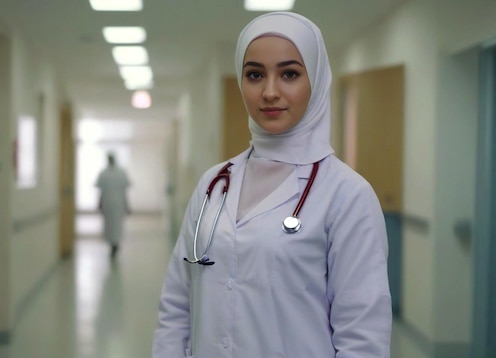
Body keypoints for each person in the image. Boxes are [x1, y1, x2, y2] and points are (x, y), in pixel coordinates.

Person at [152, 11, 392, 358]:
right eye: (254, 74)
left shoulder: (347, 194)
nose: (269, 91)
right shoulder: (214, 184)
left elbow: (363, 337)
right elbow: (176, 308)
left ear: (317, 80)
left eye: (290, 73)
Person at [95, 153, 130, 257]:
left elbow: (124, 190)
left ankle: (114, 244)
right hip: (117, 203)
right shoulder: (119, 173)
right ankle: (114, 244)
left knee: (113, 225)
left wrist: (100, 203)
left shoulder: (105, 173)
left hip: (109, 203)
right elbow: (124, 190)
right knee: (113, 225)